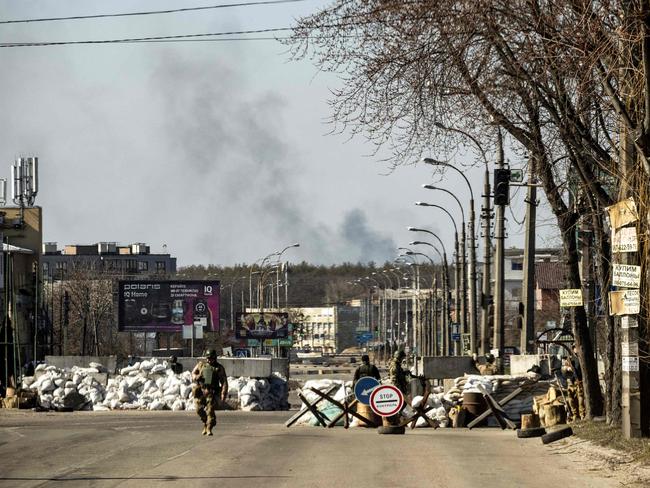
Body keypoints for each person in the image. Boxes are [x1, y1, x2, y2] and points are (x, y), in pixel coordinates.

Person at [192, 349, 228, 436]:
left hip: (211, 392)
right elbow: (193, 373)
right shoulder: (201, 365)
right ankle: (205, 422)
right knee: (198, 409)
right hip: (201, 391)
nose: (209, 360)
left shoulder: (219, 368)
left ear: (215, 358)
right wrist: (197, 377)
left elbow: (224, 382)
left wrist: (223, 393)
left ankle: (209, 428)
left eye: (211, 358)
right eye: (207, 358)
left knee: (210, 411)